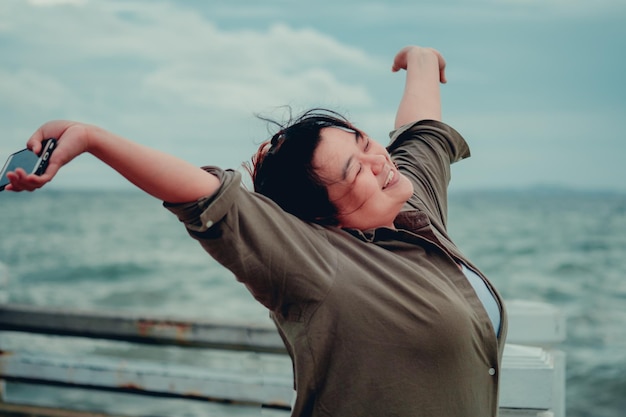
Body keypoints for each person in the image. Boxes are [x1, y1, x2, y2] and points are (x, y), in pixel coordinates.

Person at [6, 45, 507, 416]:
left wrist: (421, 60)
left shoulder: (412, 203)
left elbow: (421, 134)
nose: (379, 161)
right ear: (326, 217)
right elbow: (207, 197)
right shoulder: (317, 264)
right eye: (355, 170)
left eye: (364, 141)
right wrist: (94, 139)